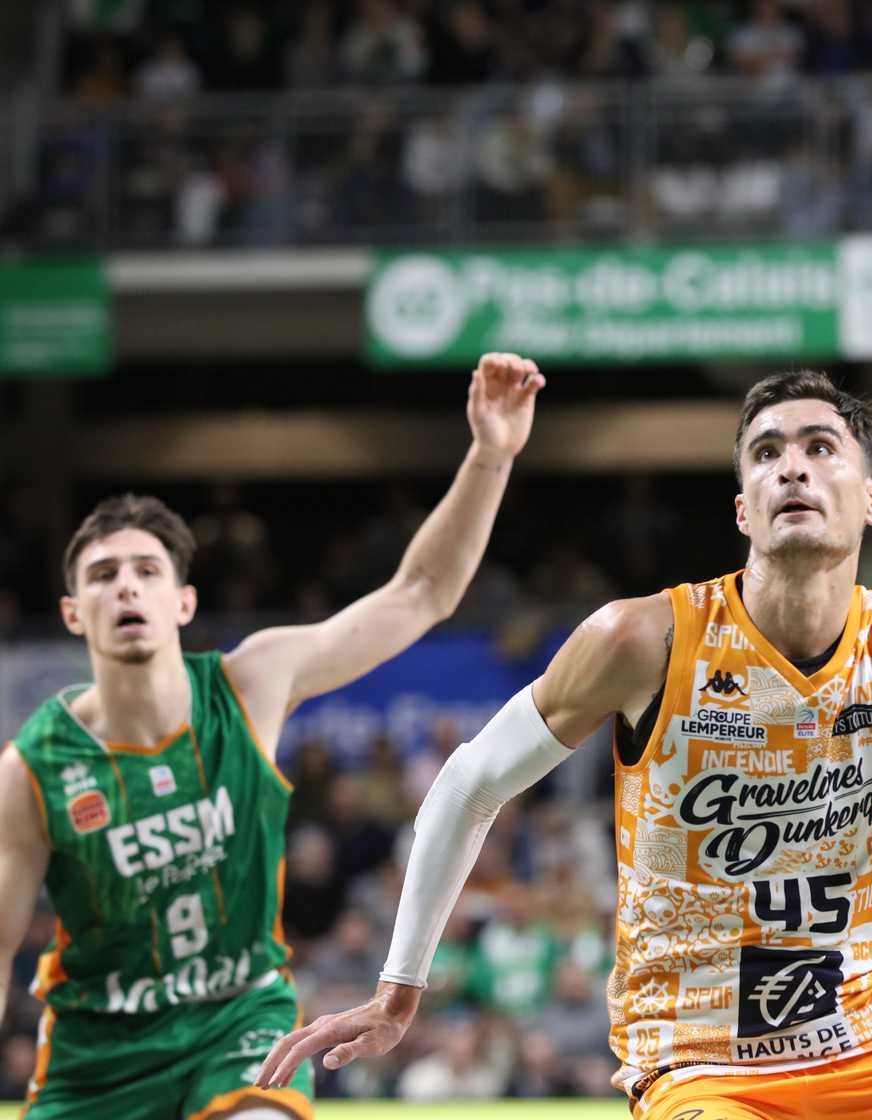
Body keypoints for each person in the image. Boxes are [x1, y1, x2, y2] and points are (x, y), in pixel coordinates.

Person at [257, 369, 872, 1118]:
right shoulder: (642, 639)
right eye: (766, 453)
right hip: (699, 1070)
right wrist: (400, 987)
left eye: (819, 446)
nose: (792, 467)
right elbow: (469, 783)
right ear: (744, 506)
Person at [0, 353, 545, 1120]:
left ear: (184, 602)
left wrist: (490, 455)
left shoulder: (252, 682)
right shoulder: (32, 770)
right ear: (71, 613)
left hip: (240, 1024)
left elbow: (421, 594)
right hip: (98, 1056)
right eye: (103, 574)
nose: (126, 585)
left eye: (147, 571)